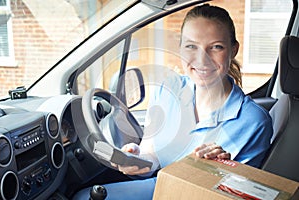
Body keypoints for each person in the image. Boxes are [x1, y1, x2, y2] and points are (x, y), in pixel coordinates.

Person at [73, 4, 273, 200]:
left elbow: (240, 193)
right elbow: (151, 157)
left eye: (216, 47)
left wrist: (220, 169)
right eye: (191, 46)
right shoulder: (167, 89)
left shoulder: (254, 122)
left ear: (233, 49)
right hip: (159, 185)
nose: (202, 60)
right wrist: (136, 157)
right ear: (180, 48)